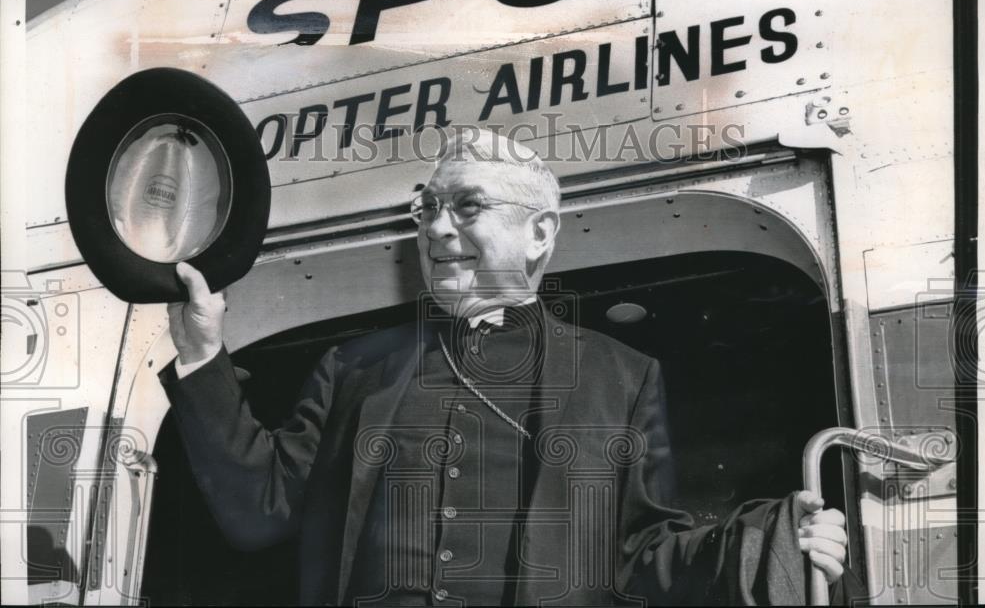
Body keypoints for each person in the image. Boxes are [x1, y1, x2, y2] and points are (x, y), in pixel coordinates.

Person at [160, 129, 854, 606]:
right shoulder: (354, 367)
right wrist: (201, 352)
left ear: (540, 233)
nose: (434, 230)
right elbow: (258, 508)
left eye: (466, 206)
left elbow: (637, 552)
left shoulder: (620, 376)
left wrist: (767, 541)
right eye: (426, 209)